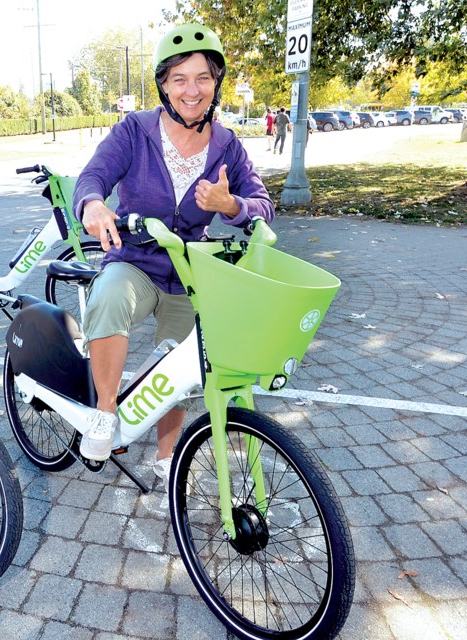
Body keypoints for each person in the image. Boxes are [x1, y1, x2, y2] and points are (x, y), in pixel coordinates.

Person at [71, 23, 275, 486]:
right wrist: (94, 204)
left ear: (216, 83)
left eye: (202, 77)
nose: (192, 90)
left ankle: (166, 461)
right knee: (108, 298)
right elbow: (93, 177)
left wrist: (232, 206)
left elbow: (263, 207)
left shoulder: (227, 144)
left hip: (188, 271)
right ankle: (105, 413)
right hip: (135, 261)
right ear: (163, 85)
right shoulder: (134, 131)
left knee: (183, 366)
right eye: (179, 78)